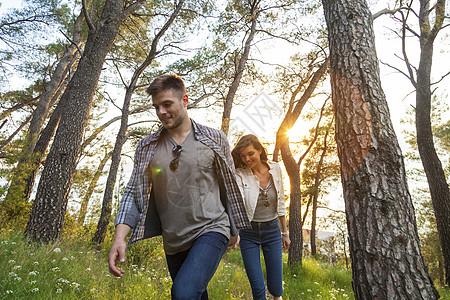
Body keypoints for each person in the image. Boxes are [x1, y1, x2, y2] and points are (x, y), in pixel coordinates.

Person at [108, 73, 250, 300]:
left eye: (167, 104)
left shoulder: (214, 139)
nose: (161, 112)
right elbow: (135, 192)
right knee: (195, 294)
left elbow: (229, 186)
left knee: (183, 293)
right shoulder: (147, 146)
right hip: (173, 240)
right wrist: (119, 238)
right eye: (156, 107)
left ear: (184, 100)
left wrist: (234, 229)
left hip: (212, 229)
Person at [231, 134, 290, 300]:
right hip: (248, 233)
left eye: (250, 153)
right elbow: (239, 202)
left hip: (272, 231)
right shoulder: (240, 174)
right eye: (242, 156)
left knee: (276, 288)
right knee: (257, 288)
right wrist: (235, 232)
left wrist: (284, 233)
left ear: (260, 150)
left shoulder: (275, 168)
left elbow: (281, 201)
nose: (247, 159)